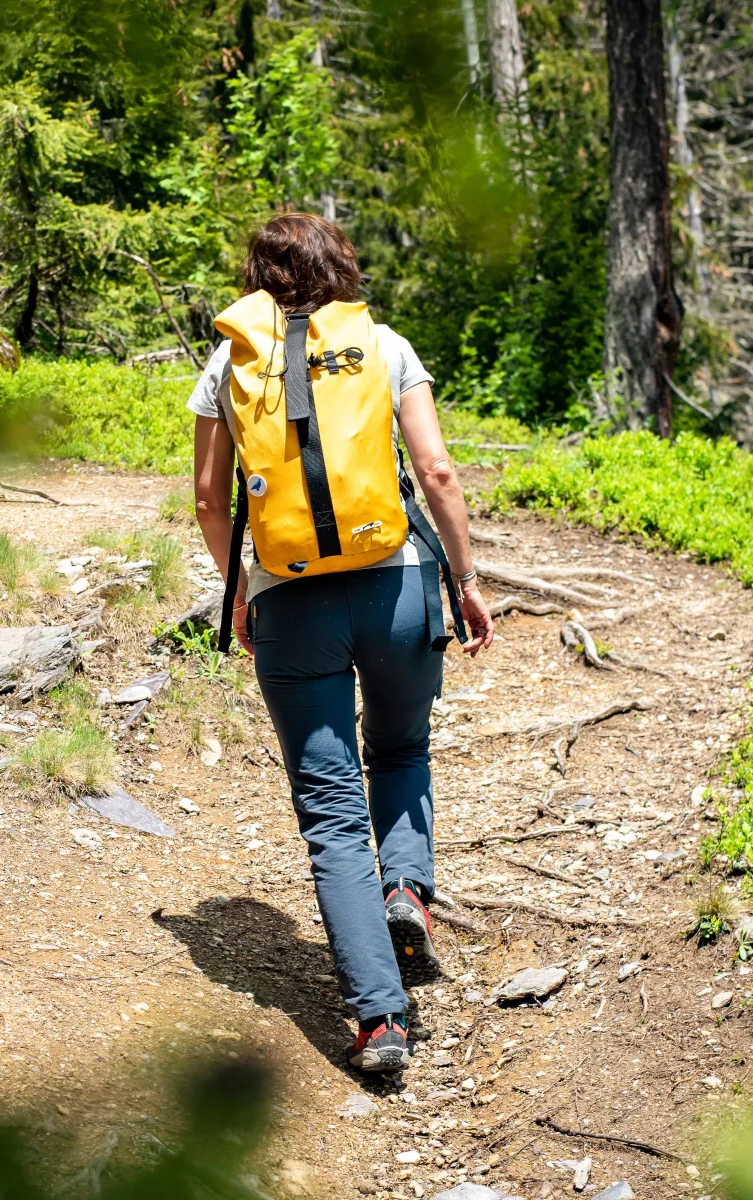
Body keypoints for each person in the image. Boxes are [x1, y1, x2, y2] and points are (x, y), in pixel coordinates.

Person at [188, 212, 494, 1072]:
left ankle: (380, 1021)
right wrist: (467, 580)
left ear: (258, 275)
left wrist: (241, 589)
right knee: (401, 748)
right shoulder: (384, 345)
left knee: (329, 811)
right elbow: (436, 471)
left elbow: (209, 501)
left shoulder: (228, 361)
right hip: (398, 588)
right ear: (342, 269)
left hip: (291, 603)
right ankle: (406, 888)